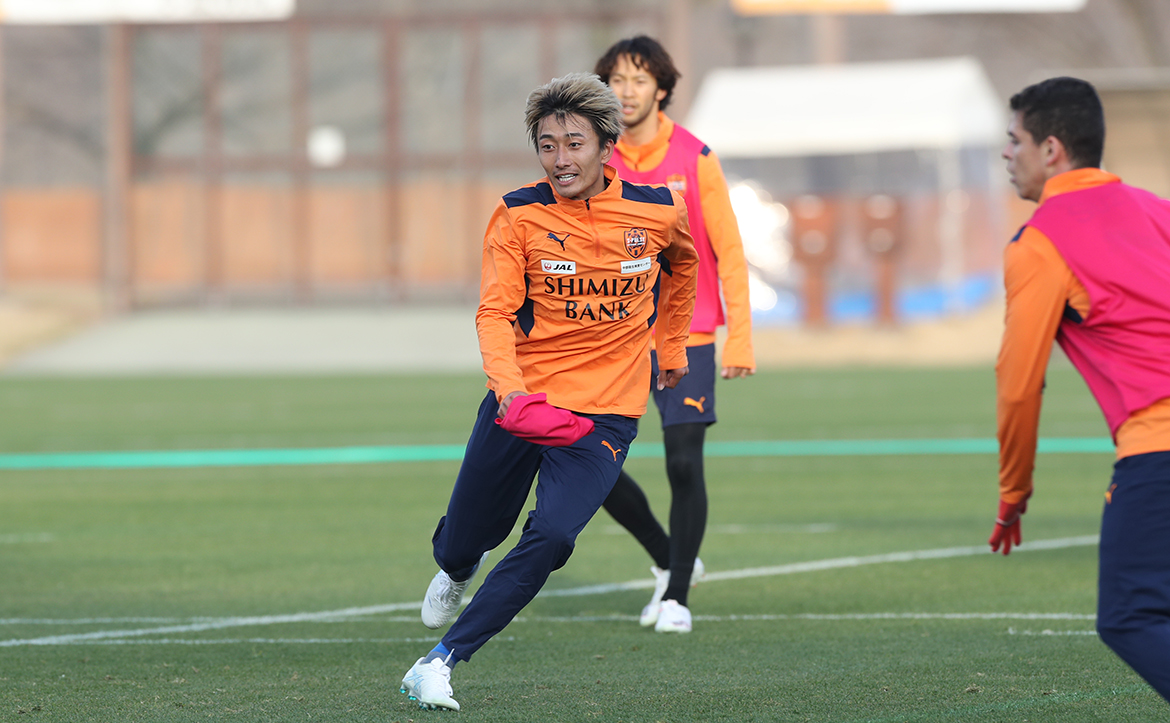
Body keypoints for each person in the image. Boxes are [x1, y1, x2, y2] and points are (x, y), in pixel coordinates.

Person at [398, 72, 699, 712]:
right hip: (522, 403)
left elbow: (684, 266)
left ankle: (440, 662)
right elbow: (494, 312)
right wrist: (510, 392)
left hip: (603, 419)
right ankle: (456, 567)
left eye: (574, 143)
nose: (560, 159)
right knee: (465, 540)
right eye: (547, 145)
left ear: (607, 147)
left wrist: (672, 350)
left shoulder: (657, 210)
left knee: (555, 536)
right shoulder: (518, 214)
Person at [991, 76, 1170, 704]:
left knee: (1132, 618)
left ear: (1051, 150)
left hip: (1159, 448)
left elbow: (1018, 386)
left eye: (1014, 140)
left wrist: (1014, 490)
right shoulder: (1158, 210)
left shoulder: (1038, 242)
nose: (1006, 153)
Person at [593, 35, 755, 634]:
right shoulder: (594, 160)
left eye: (639, 80)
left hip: (688, 334)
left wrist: (741, 338)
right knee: (588, 462)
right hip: (614, 337)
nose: (627, 91)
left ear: (661, 89)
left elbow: (729, 250)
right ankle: (667, 559)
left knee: (683, 464)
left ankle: (678, 598)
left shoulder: (695, 157)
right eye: (616, 79)